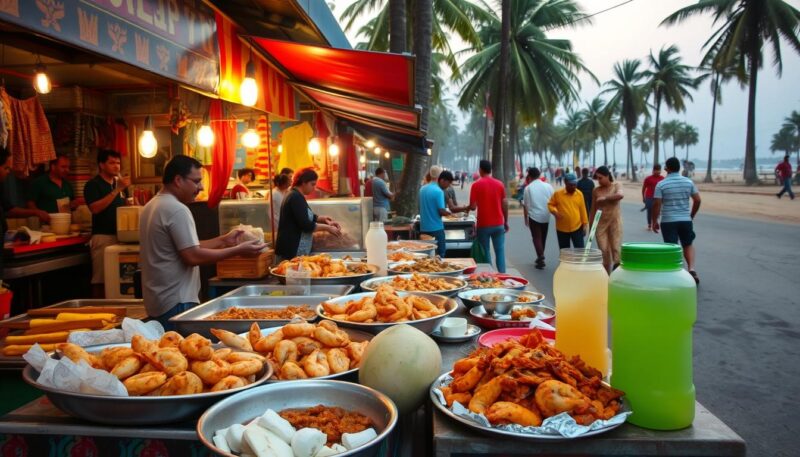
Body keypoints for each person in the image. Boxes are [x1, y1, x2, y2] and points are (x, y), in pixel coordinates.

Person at [139, 156, 266, 328]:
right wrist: (237, 250)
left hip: (158, 301)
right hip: (177, 301)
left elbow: (187, 247)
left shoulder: (152, 205)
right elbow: (192, 256)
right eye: (197, 181)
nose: (201, 187)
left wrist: (223, 240)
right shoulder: (177, 209)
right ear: (178, 180)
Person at [83, 149, 129, 298]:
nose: (116, 166)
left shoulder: (120, 184)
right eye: (112, 163)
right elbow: (95, 209)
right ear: (101, 165)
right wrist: (116, 190)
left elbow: (127, 206)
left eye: (118, 163)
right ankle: (97, 310)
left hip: (121, 238)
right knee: (100, 279)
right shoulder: (93, 185)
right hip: (103, 237)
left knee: (118, 279)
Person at [652, 157, 701, 284]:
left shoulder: (661, 184)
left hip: (668, 220)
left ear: (666, 168)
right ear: (679, 168)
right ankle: (691, 269)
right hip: (685, 219)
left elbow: (657, 204)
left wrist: (654, 221)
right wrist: (691, 215)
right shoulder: (688, 182)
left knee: (672, 247)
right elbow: (697, 200)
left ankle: (676, 272)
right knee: (688, 244)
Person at [275, 168, 342, 262]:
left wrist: (321, 218)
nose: (314, 188)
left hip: (293, 251)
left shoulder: (296, 195)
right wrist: (328, 228)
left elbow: (303, 215)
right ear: (303, 182)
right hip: (291, 252)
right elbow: (305, 224)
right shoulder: (295, 197)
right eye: (312, 184)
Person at [466, 160, 508, 273]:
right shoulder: (500, 184)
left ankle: (490, 276)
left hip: (483, 225)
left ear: (480, 170)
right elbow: (505, 204)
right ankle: (502, 275)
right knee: (500, 251)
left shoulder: (476, 185)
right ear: (491, 170)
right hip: (499, 223)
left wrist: (467, 208)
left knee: (486, 251)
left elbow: (473, 207)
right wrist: (506, 221)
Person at [590, 166, 624, 273]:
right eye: (597, 178)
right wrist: (591, 226)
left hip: (614, 222)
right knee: (604, 250)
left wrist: (605, 198)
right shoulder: (596, 190)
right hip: (600, 224)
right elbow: (593, 209)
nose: (599, 181)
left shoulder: (616, 185)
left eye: (600, 178)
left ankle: (617, 273)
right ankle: (606, 276)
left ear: (607, 176)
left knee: (615, 248)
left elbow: (620, 195)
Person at [419, 168, 457, 257]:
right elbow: (441, 211)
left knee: (426, 255)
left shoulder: (422, 189)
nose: (448, 186)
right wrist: (450, 214)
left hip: (423, 228)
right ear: (441, 178)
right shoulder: (439, 191)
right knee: (440, 254)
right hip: (436, 228)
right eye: (448, 183)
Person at [522, 167, 554, 269]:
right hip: (546, 215)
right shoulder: (548, 186)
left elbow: (525, 205)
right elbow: (553, 200)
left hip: (534, 216)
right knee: (543, 237)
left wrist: (525, 218)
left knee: (536, 237)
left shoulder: (528, 188)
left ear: (529, 176)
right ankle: (540, 255)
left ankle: (540, 255)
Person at [547, 172, 588, 249]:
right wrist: (555, 213)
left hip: (577, 227)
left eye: (575, 184)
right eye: (571, 185)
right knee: (565, 252)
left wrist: (585, 224)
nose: (573, 187)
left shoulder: (579, 194)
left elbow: (583, 210)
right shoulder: (557, 194)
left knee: (580, 250)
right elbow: (550, 204)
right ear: (565, 182)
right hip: (562, 229)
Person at [641, 164, 664, 230]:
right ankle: (649, 224)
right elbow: (644, 188)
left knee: (657, 211)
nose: (657, 171)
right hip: (649, 197)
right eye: (656, 170)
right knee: (650, 210)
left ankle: (655, 222)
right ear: (653, 170)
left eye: (659, 170)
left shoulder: (662, 179)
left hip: (659, 197)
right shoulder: (648, 178)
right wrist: (643, 197)